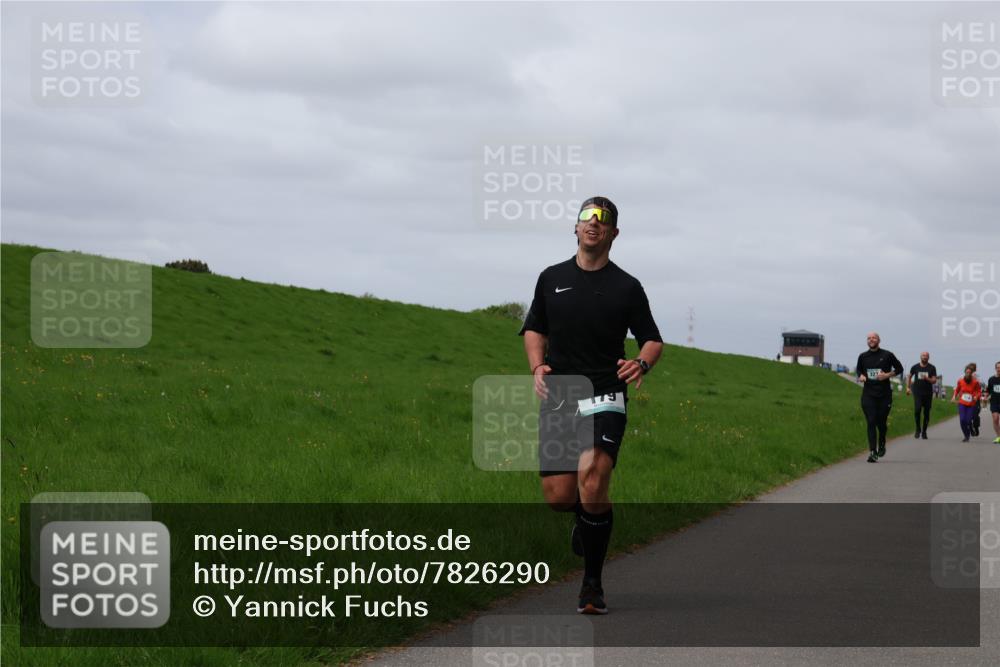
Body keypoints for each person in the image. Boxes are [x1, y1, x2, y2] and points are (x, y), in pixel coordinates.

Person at [520, 195, 663, 615]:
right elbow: (534, 329)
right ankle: (584, 517)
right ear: (576, 227)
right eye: (586, 216)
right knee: (559, 496)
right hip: (560, 394)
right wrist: (537, 366)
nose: (593, 222)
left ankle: (592, 584)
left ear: (614, 232)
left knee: (595, 473)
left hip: (605, 392)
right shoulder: (551, 278)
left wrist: (641, 363)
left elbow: (652, 339)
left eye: (602, 218)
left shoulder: (627, 287)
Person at [856, 332, 904, 462]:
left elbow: (899, 368)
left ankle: (882, 441)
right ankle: (873, 452)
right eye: (869, 338)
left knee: (881, 423)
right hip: (868, 394)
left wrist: (887, 375)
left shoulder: (887, 355)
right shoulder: (863, 356)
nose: (871, 340)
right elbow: (859, 370)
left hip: (884, 395)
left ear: (879, 340)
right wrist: (861, 376)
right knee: (871, 422)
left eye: (874, 338)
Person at [906, 352, 938, 439]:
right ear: (920, 357)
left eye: (926, 356)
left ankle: (924, 431)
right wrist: (908, 387)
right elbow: (909, 376)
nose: (925, 357)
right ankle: (918, 429)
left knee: (926, 413)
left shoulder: (932, 368)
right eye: (923, 356)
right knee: (917, 410)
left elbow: (934, 380)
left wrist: (927, 378)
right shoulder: (915, 367)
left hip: (928, 393)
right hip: (917, 392)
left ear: (928, 358)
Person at [952, 365, 982, 442]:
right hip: (962, 403)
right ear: (965, 373)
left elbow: (979, 391)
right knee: (962, 420)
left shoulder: (975, 382)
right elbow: (957, 390)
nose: (968, 374)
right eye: (967, 372)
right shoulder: (960, 381)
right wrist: (954, 397)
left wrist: (976, 396)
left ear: (971, 373)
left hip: (971, 404)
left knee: (968, 421)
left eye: (969, 373)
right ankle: (966, 435)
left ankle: (969, 431)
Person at [986, 361, 1000, 444]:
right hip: (994, 402)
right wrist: (985, 396)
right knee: (995, 419)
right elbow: (988, 391)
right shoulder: (991, 379)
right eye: (997, 367)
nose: (999, 369)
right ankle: (998, 437)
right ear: (995, 368)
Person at [969, 362, 982, 437]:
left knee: (975, 415)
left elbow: (981, 386)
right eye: (970, 367)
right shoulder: (964, 376)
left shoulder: (977, 376)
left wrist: (976, 380)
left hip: (976, 399)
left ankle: (976, 427)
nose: (972, 369)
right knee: (969, 415)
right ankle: (971, 428)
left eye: (973, 368)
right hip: (968, 399)